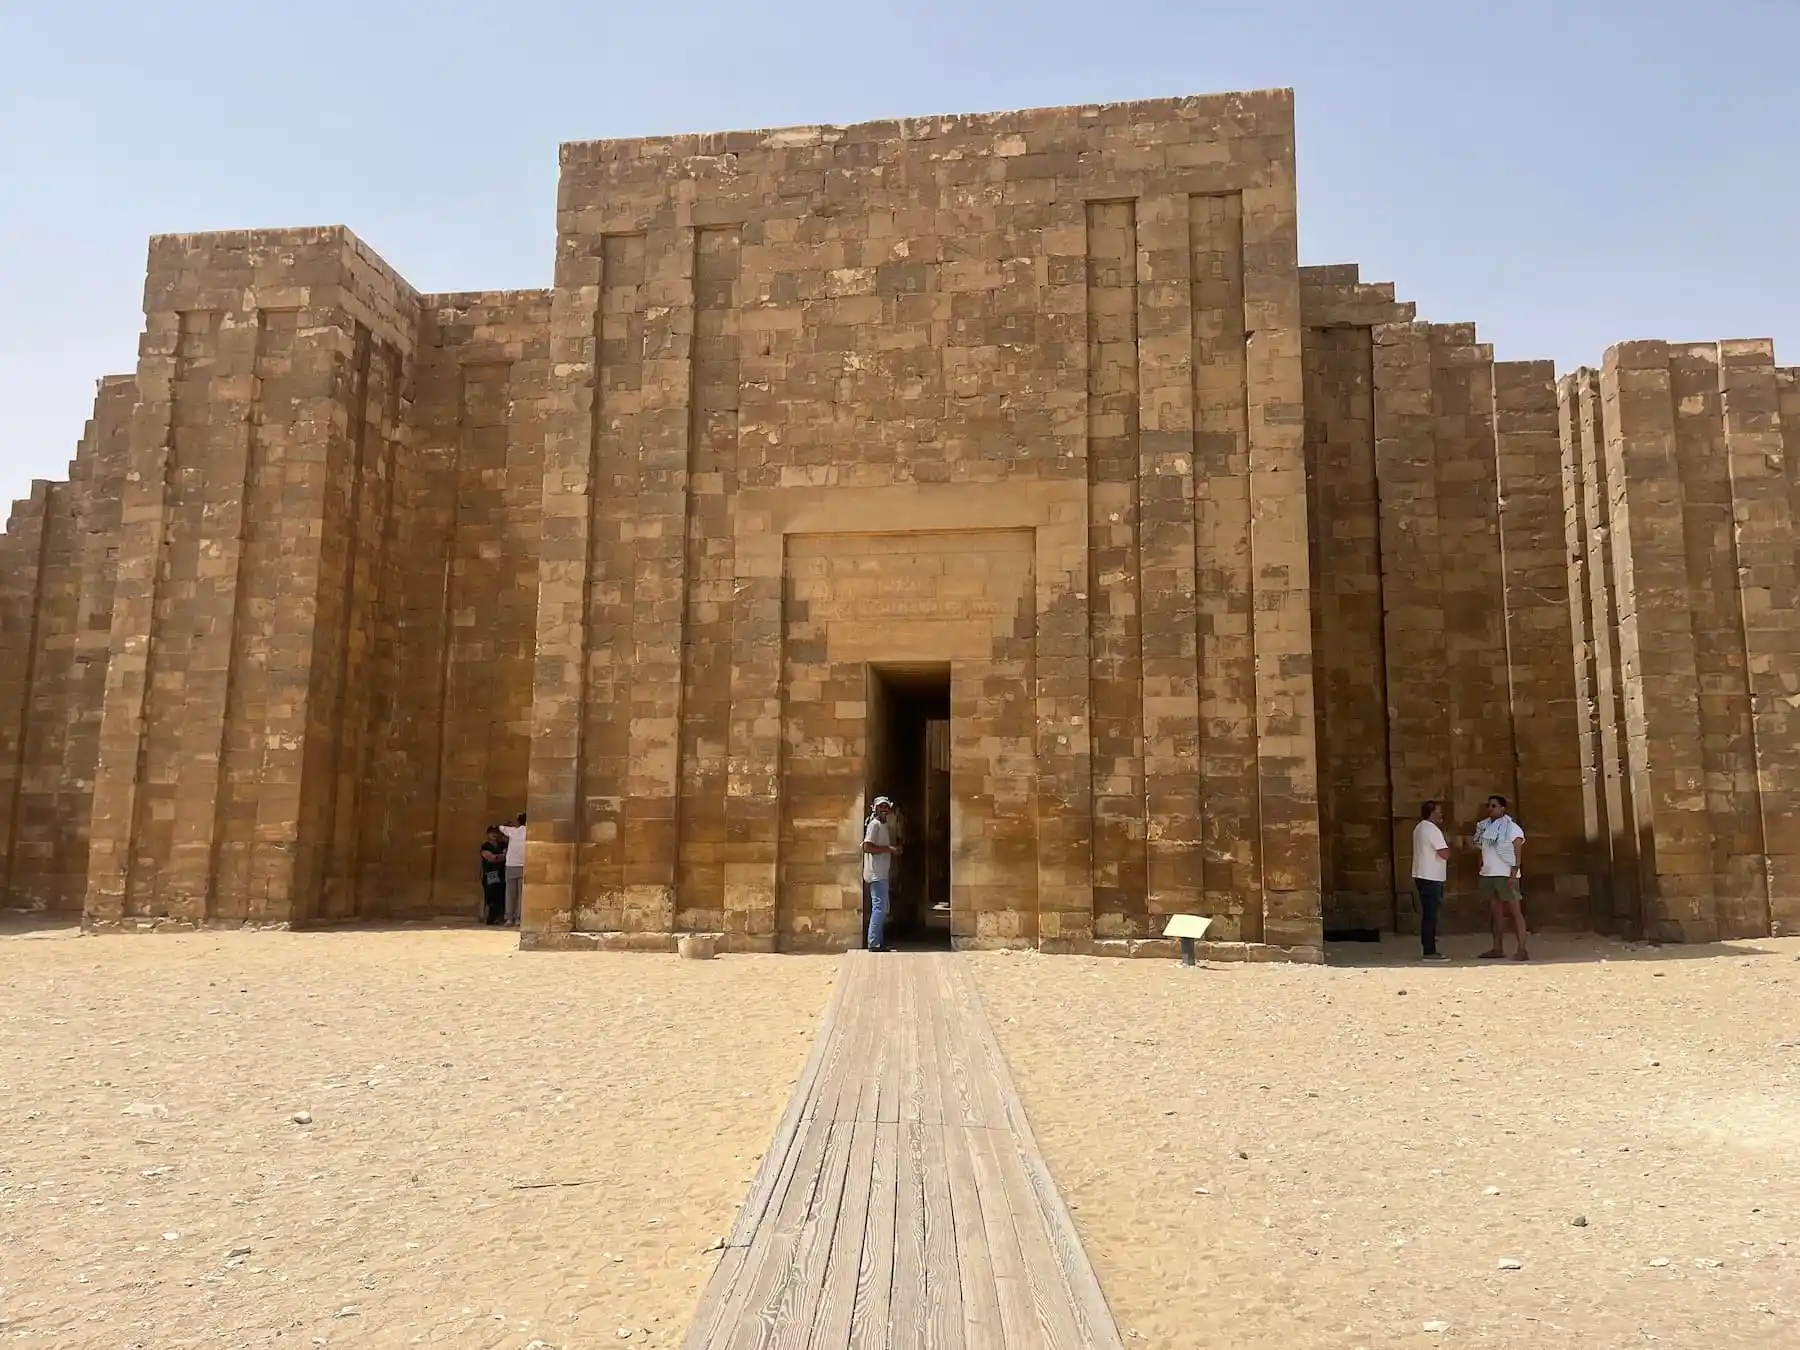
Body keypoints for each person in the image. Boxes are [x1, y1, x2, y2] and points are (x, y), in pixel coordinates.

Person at [1472, 794, 1529, 961]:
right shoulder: (1484, 828)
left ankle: (1522, 949)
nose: (1490, 809)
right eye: (1489, 806)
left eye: (1494, 806)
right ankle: (1497, 948)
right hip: (1489, 874)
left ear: (1502, 808)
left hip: (1506, 874)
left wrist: (1513, 874)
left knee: (1515, 912)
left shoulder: (1512, 828)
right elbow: (1482, 849)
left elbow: (1517, 852)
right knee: (1495, 913)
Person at [1411, 799, 1451, 961]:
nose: (1441, 814)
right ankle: (1429, 951)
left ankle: (1428, 946)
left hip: (1422, 874)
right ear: (1432, 813)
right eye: (1439, 811)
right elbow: (1444, 853)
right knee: (1431, 915)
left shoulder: (1419, 828)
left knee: (1428, 914)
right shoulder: (1433, 830)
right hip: (1431, 877)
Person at [862, 796, 899, 952]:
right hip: (876, 874)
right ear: (875, 809)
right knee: (879, 908)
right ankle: (873, 943)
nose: (884, 809)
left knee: (882, 909)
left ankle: (878, 941)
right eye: (881, 807)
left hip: (881, 873)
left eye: (886, 807)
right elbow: (867, 847)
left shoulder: (882, 825)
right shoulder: (874, 825)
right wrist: (888, 849)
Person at [499, 812, 527, 927]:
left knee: (510, 894)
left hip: (511, 865)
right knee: (521, 895)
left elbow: (501, 827)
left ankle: (509, 918)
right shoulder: (530, 832)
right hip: (524, 865)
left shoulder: (512, 831)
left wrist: (509, 824)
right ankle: (518, 918)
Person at [480, 826, 508, 926]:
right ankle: (490, 918)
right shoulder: (486, 846)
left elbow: (506, 855)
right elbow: (491, 858)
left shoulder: (503, 844)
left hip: (502, 872)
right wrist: (501, 856)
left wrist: (498, 857)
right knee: (491, 895)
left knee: (502, 895)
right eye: (492, 833)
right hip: (491, 873)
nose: (494, 835)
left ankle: (500, 917)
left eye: (496, 832)